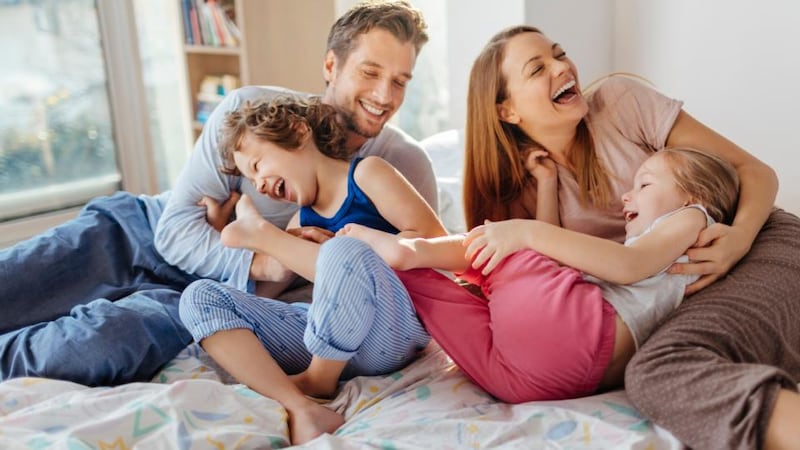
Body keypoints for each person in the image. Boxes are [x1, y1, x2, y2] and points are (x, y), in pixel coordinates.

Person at [0, 0, 436, 386]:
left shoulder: (403, 166)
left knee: (95, 344)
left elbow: (402, 281)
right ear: (330, 66)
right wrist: (262, 258)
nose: (384, 95)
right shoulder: (251, 116)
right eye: (370, 72)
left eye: (400, 81)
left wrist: (272, 262)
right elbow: (174, 231)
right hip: (136, 236)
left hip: (205, 297)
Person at [447, 25, 799, 450]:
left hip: (760, 243)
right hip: (683, 288)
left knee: (663, 371)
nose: (562, 66)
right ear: (507, 111)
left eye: (559, 53)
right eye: (538, 68)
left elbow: (755, 172)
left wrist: (739, 239)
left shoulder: (619, 102)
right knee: (662, 367)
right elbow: (550, 288)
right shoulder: (520, 191)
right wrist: (544, 190)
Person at [341, 147, 738, 403]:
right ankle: (405, 261)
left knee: (505, 246)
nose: (626, 196)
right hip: (535, 381)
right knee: (424, 290)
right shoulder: (664, 243)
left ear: (693, 194)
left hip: (579, 337)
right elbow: (554, 267)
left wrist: (523, 231)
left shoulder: (692, 218)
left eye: (645, 184)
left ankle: (415, 249)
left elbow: (625, 267)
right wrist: (546, 186)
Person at [179, 94, 446, 444]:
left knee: (345, 250)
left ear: (297, 131)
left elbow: (434, 242)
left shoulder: (368, 173)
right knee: (198, 296)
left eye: (258, 166)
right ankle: (298, 404)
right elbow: (256, 300)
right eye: (250, 179)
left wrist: (274, 239)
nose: (259, 185)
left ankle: (318, 380)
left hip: (394, 329)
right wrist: (283, 252)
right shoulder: (300, 220)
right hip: (332, 342)